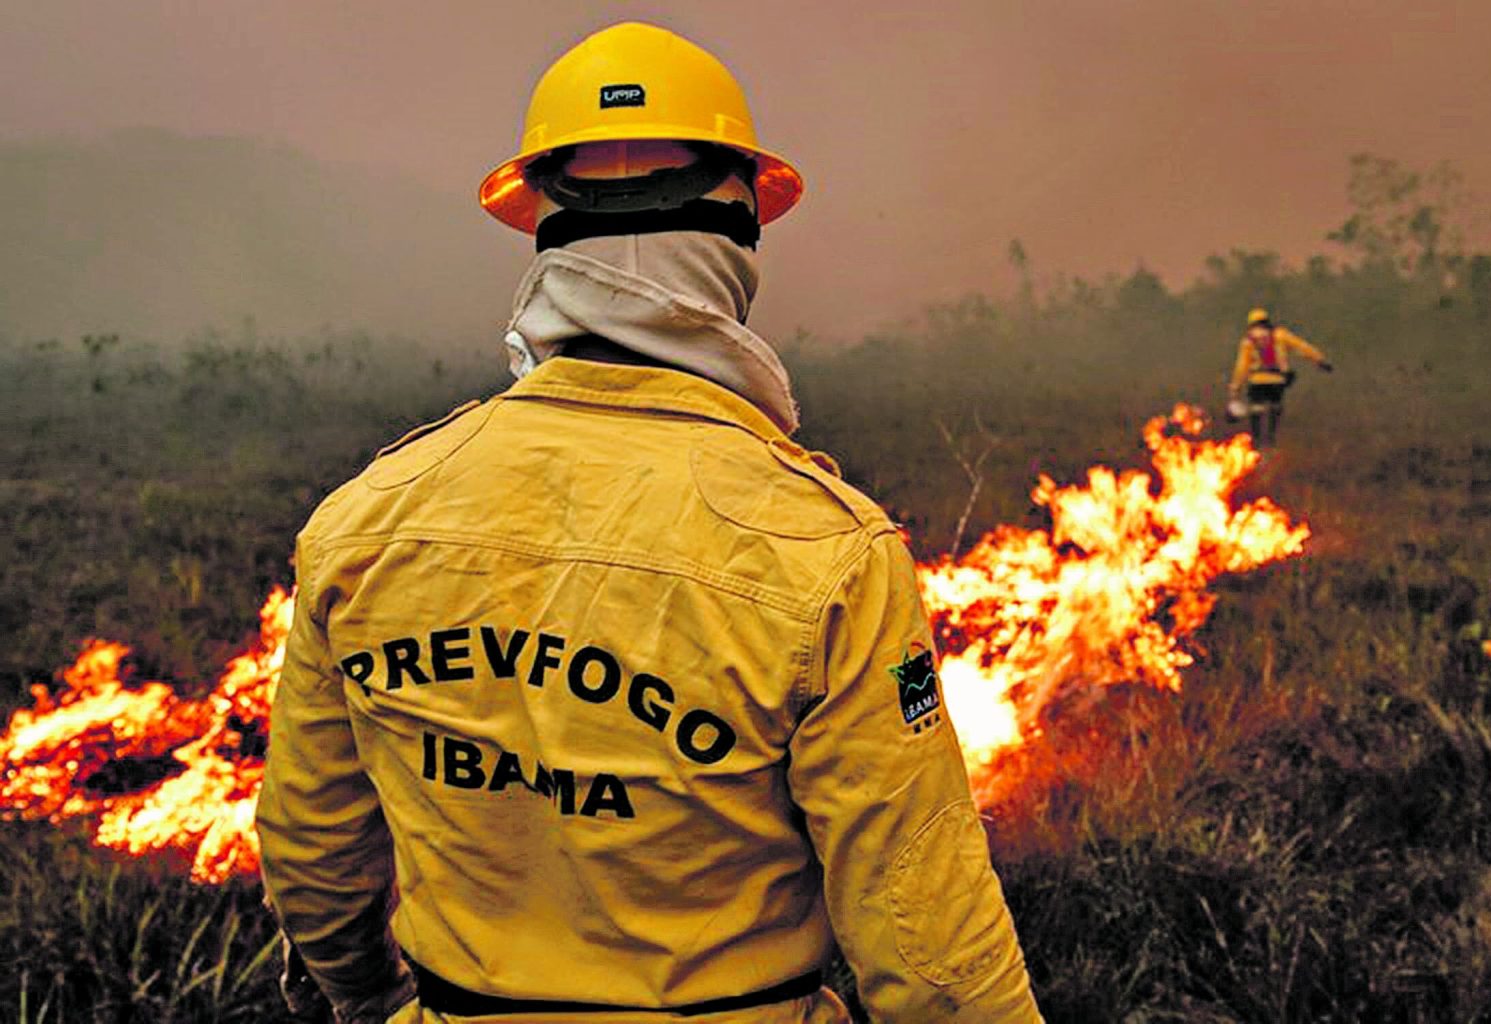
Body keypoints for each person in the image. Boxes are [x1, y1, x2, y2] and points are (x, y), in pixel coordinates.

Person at [256, 21, 1045, 1024]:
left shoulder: (361, 522)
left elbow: (314, 856)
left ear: (540, 225)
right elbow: (933, 957)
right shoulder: (832, 553)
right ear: (741, 221)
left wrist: (371, 1001)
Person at [1226, 307, 1334, 445]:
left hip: (1256, 381)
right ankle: (1271, 437)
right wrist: (1320, 360)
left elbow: (1241, 367)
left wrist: (1235, 387)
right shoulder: (1280, 335)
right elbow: (1302, 347)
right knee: (1275, 407)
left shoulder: (1248, 341)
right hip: (1277, 381)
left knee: (1256, 409)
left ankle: (1257, 439)